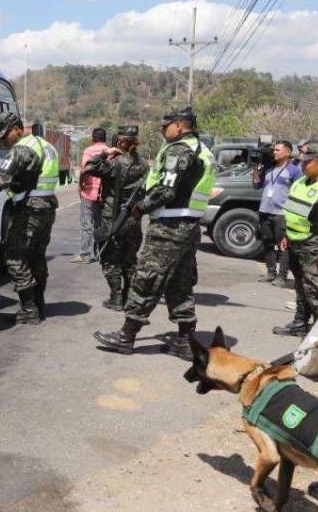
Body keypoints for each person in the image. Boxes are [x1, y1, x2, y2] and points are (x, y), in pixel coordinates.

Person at [93, 107, 215, 360]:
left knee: (146, 279)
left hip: (169, 227)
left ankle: (126, 336)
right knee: (179, 284)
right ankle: (184, 340)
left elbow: (166, 191)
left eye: (165, 125)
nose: (162, 130)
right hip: (188, 225)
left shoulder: (178, 150)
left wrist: (139, 210)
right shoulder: (202, 150)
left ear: (180, 126)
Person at [0, 112, 59, 324]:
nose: (5, 141)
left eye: (6, 136)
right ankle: (39, 304)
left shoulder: (22, 148)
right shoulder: (44, 144)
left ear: (17, 128)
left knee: (14, 258)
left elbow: (2, 178)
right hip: (47, 207)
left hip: (29, 208)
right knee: (37, 258)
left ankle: (29, 308)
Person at [273, 141, 318, 337]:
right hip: (295, 243)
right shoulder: (300, 183)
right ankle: (300, 324)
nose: (302, 166)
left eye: (307, 162)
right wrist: (287, 236)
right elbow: (294, 213)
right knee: (301, 287)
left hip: (316, 246)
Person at [85, 124, 149, 311]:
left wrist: (105, 153)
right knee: (130, 259)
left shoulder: (115, 163)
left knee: (110, 259)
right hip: (133, 219)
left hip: (112, 218)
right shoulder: (143, 164)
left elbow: (89, 167)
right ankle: (130, 297)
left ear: (120, 142)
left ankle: (116, 298)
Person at [252, 141, 301, 286]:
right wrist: (254, 168)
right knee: (267, 243)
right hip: (265, 212)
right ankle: (271, 272)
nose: (274, 152)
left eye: (278, 150)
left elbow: (298, 192)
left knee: (283, 246)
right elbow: (256, 185)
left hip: (282, 215)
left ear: (287, 152)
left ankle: (282, 276)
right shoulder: (268, 168)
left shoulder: (294, 170)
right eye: (274, 150)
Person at [73, 128, 109, 264]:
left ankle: (85, 255)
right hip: (103, 194)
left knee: (86, 224)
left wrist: (80, 185)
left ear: (93, 139)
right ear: (104, 138)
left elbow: (84, 169)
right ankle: (100, 254)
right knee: (99, 224)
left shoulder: (88, 151)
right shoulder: (110, 151)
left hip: (88, 193)